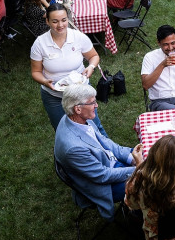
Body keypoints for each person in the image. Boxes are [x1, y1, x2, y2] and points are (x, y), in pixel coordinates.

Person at [56, 83, 141, 221]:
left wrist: (131, 157)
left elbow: (105, 142)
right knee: (152, 181)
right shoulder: (73, 148)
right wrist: (139, 169)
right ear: (78, 109)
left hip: (109, 164)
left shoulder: (76, 119)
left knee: (151, 153)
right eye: (92, 102)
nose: (97, 105)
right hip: (104, 185)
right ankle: (143, 217)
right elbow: (103, 175)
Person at [29, 4, 103, 132]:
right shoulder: (40, 43)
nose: (60, 25)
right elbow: (35, 72)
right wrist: (44, 81)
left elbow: (94, 56)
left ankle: (106, 151)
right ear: (47, 21)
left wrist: (91, 67)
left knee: (93, 126)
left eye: (64, 20)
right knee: (63, 131)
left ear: (68, 19)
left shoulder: (78, 37)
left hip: (81, 93)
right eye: (55, 21)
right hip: (54, 96)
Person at [141, 25, 175, 110]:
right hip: (159, 102)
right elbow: (145, 85)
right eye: (166, 44)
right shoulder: (150, 57)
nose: (170, 48)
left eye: (173, 43)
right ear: (159, 43)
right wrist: (162, 65)